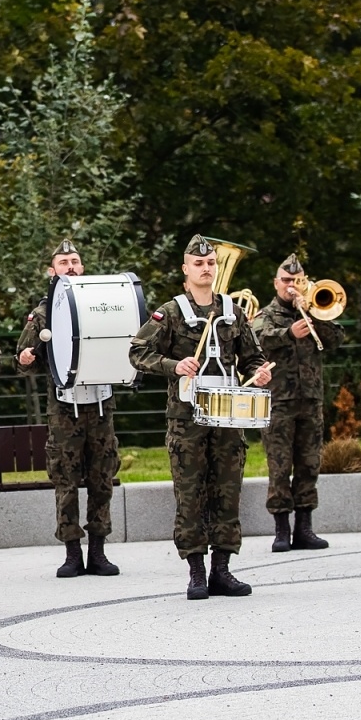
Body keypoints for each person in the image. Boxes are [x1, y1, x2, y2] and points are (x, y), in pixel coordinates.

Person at [128, 235, 272, 599]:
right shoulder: (171, 311)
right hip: (187, 417)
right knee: (190, 492)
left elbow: (251, 356)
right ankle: (195, 571)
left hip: (227, 416)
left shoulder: (233, 311)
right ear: (185, 270)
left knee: (228, 490)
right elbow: (138, 351)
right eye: (198, 263)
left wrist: (260, 370)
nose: (206, 268)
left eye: (210, 263)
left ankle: (222, 570)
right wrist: (175, 365)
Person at [15, 239, 119, 577]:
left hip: (101, 406)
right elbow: (22, 359)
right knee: (66, 481)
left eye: (75, 261)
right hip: (64, 409)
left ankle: (99, 552)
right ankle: (72, 552)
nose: (70, 266)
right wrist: (27, 357)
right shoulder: (44, 312)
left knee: (102, 480)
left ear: (83, 267)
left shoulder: (102, 304)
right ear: (52, 271)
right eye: (63, 262)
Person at [252, 254, 341, 552]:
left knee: (309, 464)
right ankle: (281, 530)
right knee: (279, 466)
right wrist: (288, 333)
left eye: (297, 281)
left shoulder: (315, 309)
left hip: (310, 400)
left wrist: (312, 315)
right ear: (276, 283)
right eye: (287, 281)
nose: (292, 286)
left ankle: (305, 528)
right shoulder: (266, 315)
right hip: (278, 402)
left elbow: (335, 339)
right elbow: (256, 339)